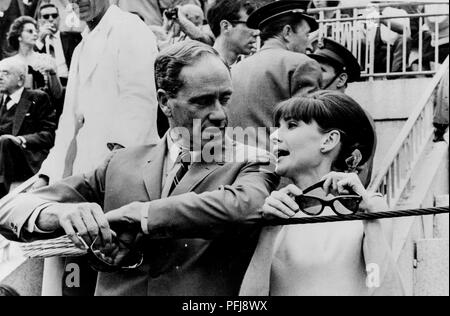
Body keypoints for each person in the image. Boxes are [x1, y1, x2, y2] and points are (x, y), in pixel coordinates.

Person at [0, 41, 279, 296]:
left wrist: (141, 215)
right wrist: (61, 213)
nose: (219, 114)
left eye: (225, 99)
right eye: (202, 101)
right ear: (164, 102)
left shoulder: (254, 161)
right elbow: (9, 210)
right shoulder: (119, 163)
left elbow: (246, 204)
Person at [31, 0, 160, 296]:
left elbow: (138, 105)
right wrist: (48, 173)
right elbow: (68, 122)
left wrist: (107, 176)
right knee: (73, 281)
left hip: (115, 184)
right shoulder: (81, 46)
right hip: (80, 185)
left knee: (110, 281)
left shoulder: (131, 29)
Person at [240, 91, 405, 296]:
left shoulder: (370, 206)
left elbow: (386, 291)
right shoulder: (274, 211)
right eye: (277, 127)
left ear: (329, 140)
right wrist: (268, 232)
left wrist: (371, 221)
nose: (274, 136)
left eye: (291, 125)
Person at [227, 0, 322, 152]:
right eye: (306, 35)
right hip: (276, 168)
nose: (310, 45)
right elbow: (307, 131)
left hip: (235, 167)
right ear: (287, 32)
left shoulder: (234, 70)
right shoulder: (302, 64)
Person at [0, 58, 56, 198]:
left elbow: (49, 135)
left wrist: (21, 139)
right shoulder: (1, 101)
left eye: (5, 73)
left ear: (20, 79)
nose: (0, 77)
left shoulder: (37, 98)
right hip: (3, 157)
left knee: (6, 141)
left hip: (26, 157)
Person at [6, 16, 63, 101]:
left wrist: (52, 72)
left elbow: (58, 95)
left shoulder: (46, 59)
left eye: (36, 31)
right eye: (30, 31)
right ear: (19, 36)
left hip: (45, 110)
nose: (35, 34)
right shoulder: (8, 63)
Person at [35, 3, 82, 87]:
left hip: (68, 83)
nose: (51, 19)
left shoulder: (72, 38)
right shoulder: (36, 42)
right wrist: (40, 40)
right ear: (39, 21)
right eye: (46, 16)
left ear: (59, 18)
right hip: (45, 87)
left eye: (54, 15)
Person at [207, 0, 259, 67]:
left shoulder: (251, 66)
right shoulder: (201, 68)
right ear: (225, 26)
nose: (257, 32)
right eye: (250, 25)